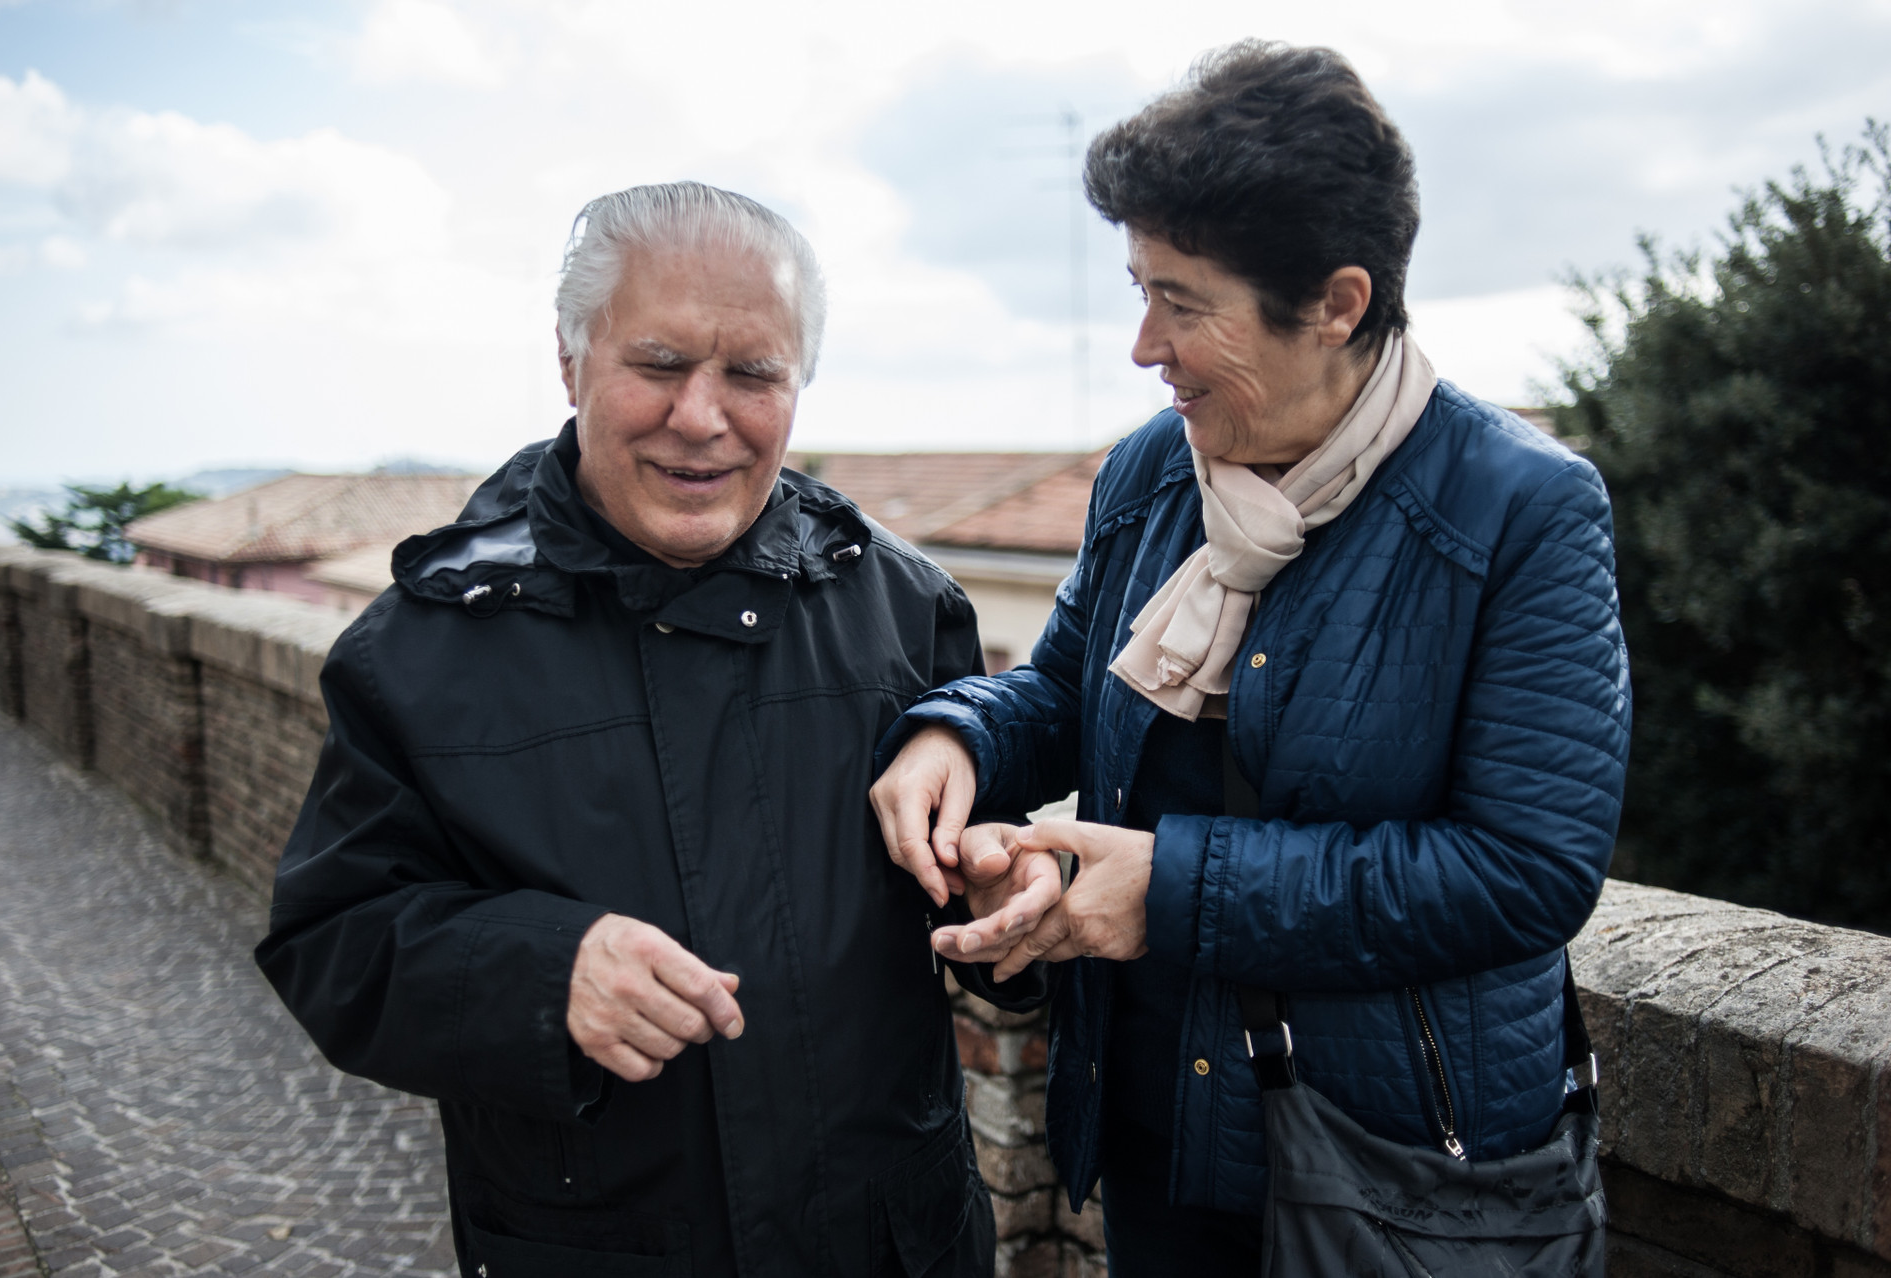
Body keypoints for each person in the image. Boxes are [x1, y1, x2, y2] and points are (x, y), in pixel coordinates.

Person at [870, 40, 1630, 1274]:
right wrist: (958, 735)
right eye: (1140, 290)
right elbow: (1064, 688)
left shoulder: (1522, 510)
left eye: (1182, 302)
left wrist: (1171, 889)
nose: (1143, 344)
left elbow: (1526, 871)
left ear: (1337, 303)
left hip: (1397, 1175)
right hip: (1159, 1136)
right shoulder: (1147, 471)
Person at [256, 182, 1017, 1278]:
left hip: (899, 1246)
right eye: (659, 364)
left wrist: (1009, 901)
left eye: (752, 373)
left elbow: (980, 891)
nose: (701, 417)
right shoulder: (414, 651)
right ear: (570, 363)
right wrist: (541, 974)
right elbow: (332, 946)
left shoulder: (907, 607)